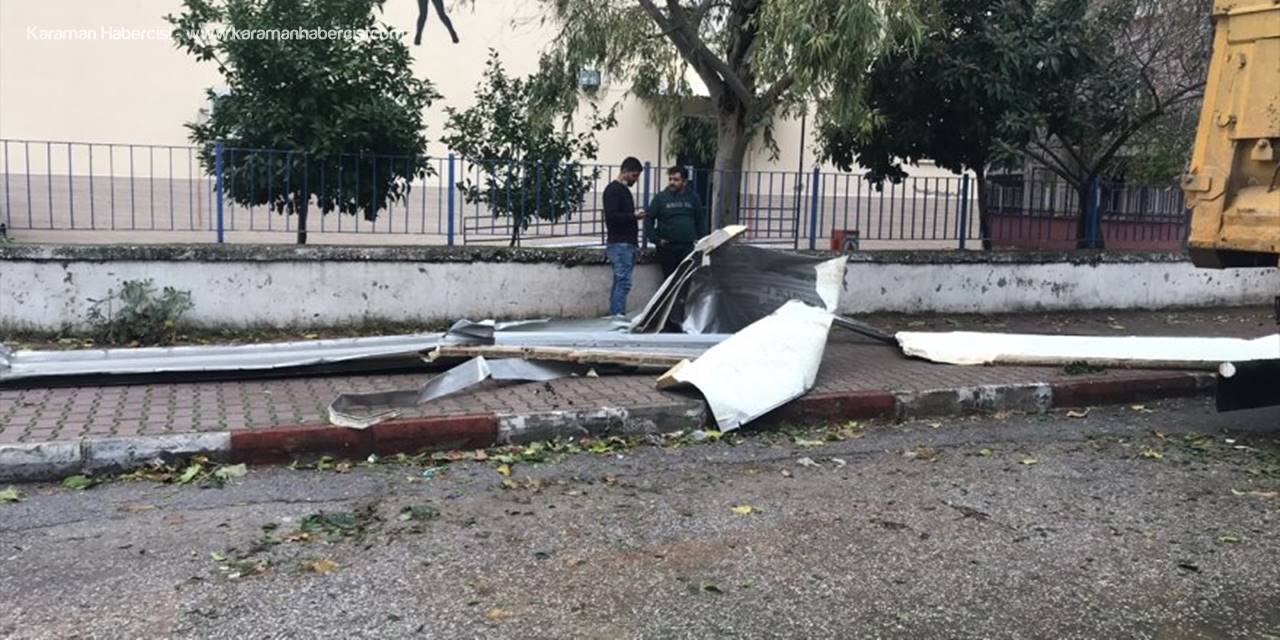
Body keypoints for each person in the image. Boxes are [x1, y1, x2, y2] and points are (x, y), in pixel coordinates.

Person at [644, 166, 708, 278]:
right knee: (670, 279)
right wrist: (655, 239)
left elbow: (700, 220)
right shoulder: (660, 198)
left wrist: (702, 241)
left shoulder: (693, 198)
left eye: (676, 180)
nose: (672, 182)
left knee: (686, 279)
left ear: (685, 182)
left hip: (687, 247)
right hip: (667, 247)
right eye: (670, 179)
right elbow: (648, 218)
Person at [603, 157, 645, 316]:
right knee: (623, 283)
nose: (635, 180)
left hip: (624, 243)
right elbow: (612, 216)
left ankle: (616, 315)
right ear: (625, 171)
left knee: (620, 282)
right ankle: (617, 316)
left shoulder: (623, 190)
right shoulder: (614, 190)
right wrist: (633, 216)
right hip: (620, 243)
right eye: (634, 176)